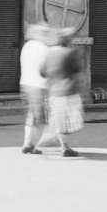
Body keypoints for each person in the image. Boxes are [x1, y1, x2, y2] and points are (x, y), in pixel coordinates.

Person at [34, 27, 85, 158]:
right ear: (67, 41)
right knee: (67, 121)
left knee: (59, 120)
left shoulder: (48, 53)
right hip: (68, 90)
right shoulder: (70, 53)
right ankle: (61, 144)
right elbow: (77, 70)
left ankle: (63, 144)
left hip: (53, 91)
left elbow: (42, 72)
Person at [19, 23, 50, 154]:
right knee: (41, 119)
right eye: (45, 33)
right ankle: (32, 145)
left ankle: (27, 142)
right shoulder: (43, 47)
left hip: (26, 84)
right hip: (39, 85)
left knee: (31, 116)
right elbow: (44, 69)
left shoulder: (27, 46)